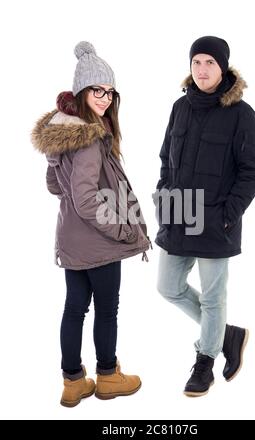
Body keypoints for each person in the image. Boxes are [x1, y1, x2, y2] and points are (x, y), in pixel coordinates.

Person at [32, 41, 150, 407]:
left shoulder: (65, 133)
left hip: (71, 240)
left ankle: (72, 382)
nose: (105, 98)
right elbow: (85, 200)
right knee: (107, 309)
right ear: (82, 91)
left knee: (74, 307)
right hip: (99, 242)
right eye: (97, 90)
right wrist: (123, 229)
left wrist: (69, 182)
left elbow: (56, 186)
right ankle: (109, 375)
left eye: (110, 91)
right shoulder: (88, 138)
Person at [153, 36, 255, 397]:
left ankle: (206, 362)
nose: (202, 70)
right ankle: (227, 333)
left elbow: (252, 170)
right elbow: (165, 159)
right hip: (178, 215)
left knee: (214, 298)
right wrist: (164, 200)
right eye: (197, 62)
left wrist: (229, 215)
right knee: (168, 287)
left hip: (217, 221)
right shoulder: (179, 107)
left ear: (223, 67)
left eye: (210, 63)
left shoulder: (241, 114)